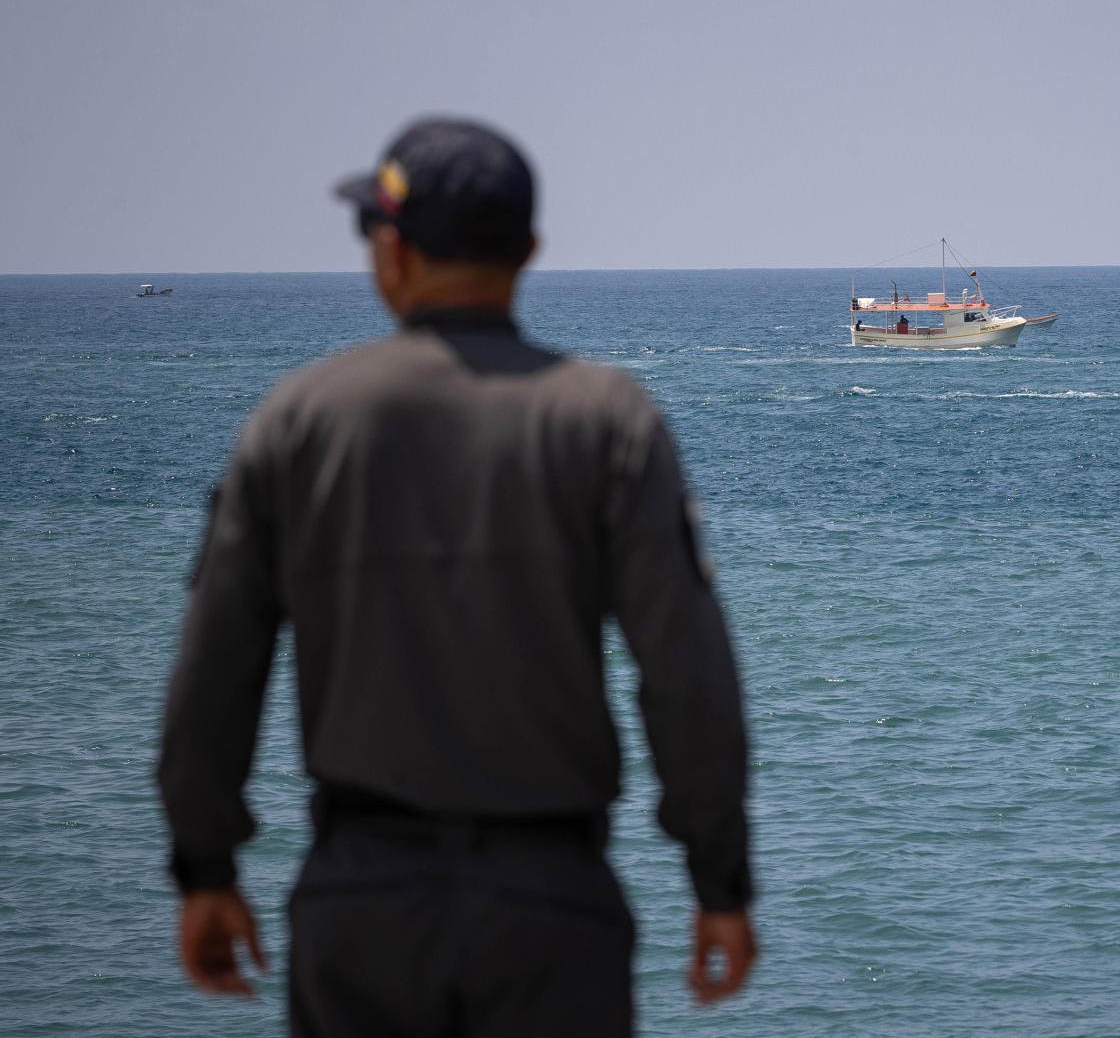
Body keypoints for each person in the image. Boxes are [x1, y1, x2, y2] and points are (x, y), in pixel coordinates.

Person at [157, 118, 757, 1034]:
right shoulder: (607, 422)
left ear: (391, 252)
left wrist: (205, 869)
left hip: (360, 907)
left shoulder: (299, 420)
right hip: (551, 909)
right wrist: (719, 883)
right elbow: (686, 673)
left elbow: (214, 673)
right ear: (528, 251)